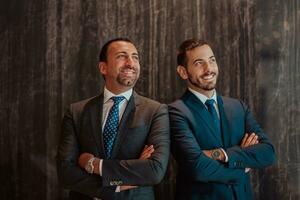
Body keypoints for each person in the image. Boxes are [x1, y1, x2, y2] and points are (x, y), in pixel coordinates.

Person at [57, 38, 170, 200]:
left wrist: (94, 164)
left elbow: (154, 170)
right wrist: (114, 188)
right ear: (103, 67)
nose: (131, 63)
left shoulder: (155, 111)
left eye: (135, 57)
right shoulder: (77, 111)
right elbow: (65, 171)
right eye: (122, 56)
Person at [169, 39, 276, 200]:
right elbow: (197, 167)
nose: (209, 69)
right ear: (183, 72)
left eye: (212, 60)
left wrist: (222, 155)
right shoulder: (175, 112)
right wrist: (244, 165)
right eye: (199, 63)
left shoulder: (238, 107)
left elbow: (268, 153)